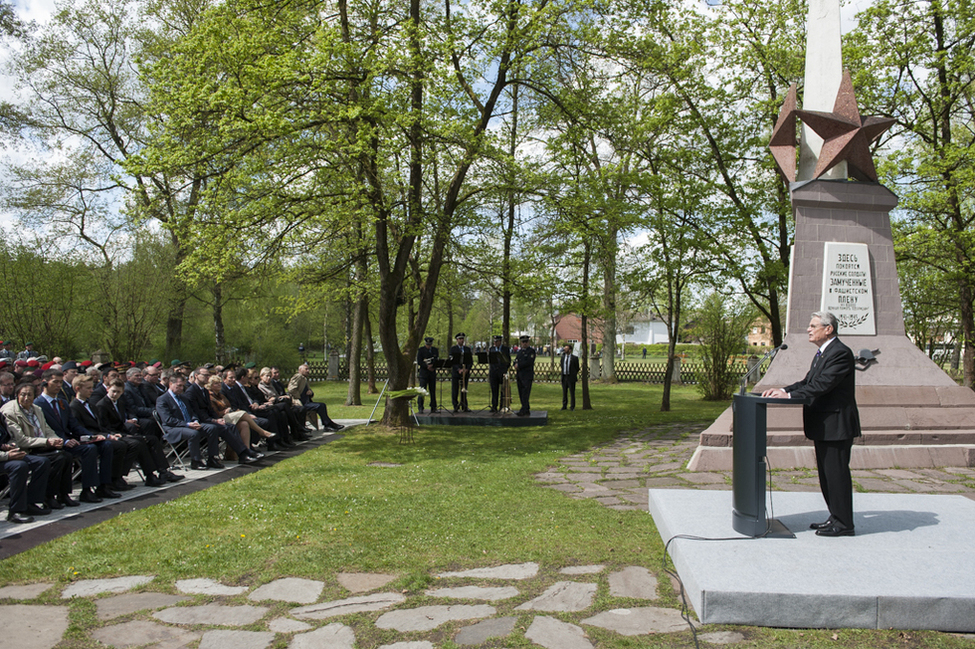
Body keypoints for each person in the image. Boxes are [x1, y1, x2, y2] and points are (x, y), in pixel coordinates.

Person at [762, 311, 861, 537]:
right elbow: (808, 382)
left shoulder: (840, 353)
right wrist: (784, 390)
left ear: (829, 329)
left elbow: (823, 385)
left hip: (836, 425)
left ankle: (845, 524)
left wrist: (787, 398)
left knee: (836, 475)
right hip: (825, 425)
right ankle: (835, 517)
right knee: (827, 475)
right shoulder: (823, 353)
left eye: (813, 325)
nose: (808, 329)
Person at [35, 369, 119, 502]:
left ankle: (102, 486)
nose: (58, 385)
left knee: (105, 445)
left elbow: (74, 425)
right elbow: (42, 429)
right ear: (44, 383)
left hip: (69, 440)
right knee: (88, 450)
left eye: (60, 382)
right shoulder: (38, 404)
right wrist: (63, 441)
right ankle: (79, 491)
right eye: (55, 382)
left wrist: (92, 436)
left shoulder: (62, 402)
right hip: (52, 443)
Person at [96, 379, 182, 485]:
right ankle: (148, 475)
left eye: (118, 392)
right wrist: (121, 434)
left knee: (152, 440)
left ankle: (163, 471)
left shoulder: (119, 402)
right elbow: (103, 427)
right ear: (107, 389)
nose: (115, 394)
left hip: (123, 432)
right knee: (139, 443)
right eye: (113, 391)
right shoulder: (102, 405)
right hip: (114, 435)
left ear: (122, 392)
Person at [0, 407, 51, 523]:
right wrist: (6, 455)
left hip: (5, 454)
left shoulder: (1, 416)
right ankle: (15, 510)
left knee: (42, 462)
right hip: (4, 457)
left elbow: (8, 437)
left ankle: (30, 503)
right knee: (19, 466)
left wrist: (9, 445)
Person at [287, 363, 344, 431]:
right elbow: (291, 389)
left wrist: (310, 393)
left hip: (306, 402)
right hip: (300, 403)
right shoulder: (298, 376)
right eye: (306, 369)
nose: (308, 371)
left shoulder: (304, 379)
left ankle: (329, 424)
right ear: (300, 370)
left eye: (308, 369)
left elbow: (308, 391)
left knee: (321, 405)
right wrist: (298, 397)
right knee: (320, 406)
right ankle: (328, 424)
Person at [449, 333, 472, 413]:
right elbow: (452, 361)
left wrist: (467, 369)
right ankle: (455, 406)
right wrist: (458, 369)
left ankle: (464, 405)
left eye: (462, 339)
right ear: (457, 340)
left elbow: (470, 361)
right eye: (460, 339)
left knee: (464, 390)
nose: (461, 340)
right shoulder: (453, 349)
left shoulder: (467, 349)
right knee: (455, 389)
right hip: (456, 373)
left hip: (465, 373)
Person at [487, 335, 510, 413]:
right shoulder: (491, 349)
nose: (495, 343)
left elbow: (508, 361)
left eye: (496, 341)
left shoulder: (505, 349)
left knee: (503, 390)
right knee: (494, 390)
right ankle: (494, 406)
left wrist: (504, 369)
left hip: (502, 372)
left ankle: (502, 406)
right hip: (493, 372)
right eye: (494, 341)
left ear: (500, 341)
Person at [416, 337, 439, 413]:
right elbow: (419, 361)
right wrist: (427, 366)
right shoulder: (421, 350)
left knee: (432, 390)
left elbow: (436, 360)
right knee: (422, 390)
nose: (428, 346)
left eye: (430, 344)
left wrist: (433, 366)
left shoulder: (435, 350)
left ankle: (433, 406)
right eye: (427, 344)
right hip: (424, 373)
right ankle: (420, 406)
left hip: (432, 373)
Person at [514, 335, 536, 416]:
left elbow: (529, 362)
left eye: (526, 342)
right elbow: (515, 360)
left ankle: (524, 409)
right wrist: (515, 365)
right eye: (523, 342)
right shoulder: (519, 352)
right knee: (521, 392)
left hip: (527, 375)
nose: (524, 343)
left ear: (529, 342)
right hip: (520, 375)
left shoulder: (531, 351)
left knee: (525, 393)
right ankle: (526, 408)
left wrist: (519, 365)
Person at [560, 343, 580, 411]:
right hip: (564, 376)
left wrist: (573, 374)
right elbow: (561, 366)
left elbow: (577, 368)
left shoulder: (574, 358)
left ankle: (572, 406)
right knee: (564, 392)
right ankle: (564, 405)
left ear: (570, 350)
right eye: (564, 348)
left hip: (571, 377)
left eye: (566, 348)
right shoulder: (563, 357)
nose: (565, 349)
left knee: (572, 392)